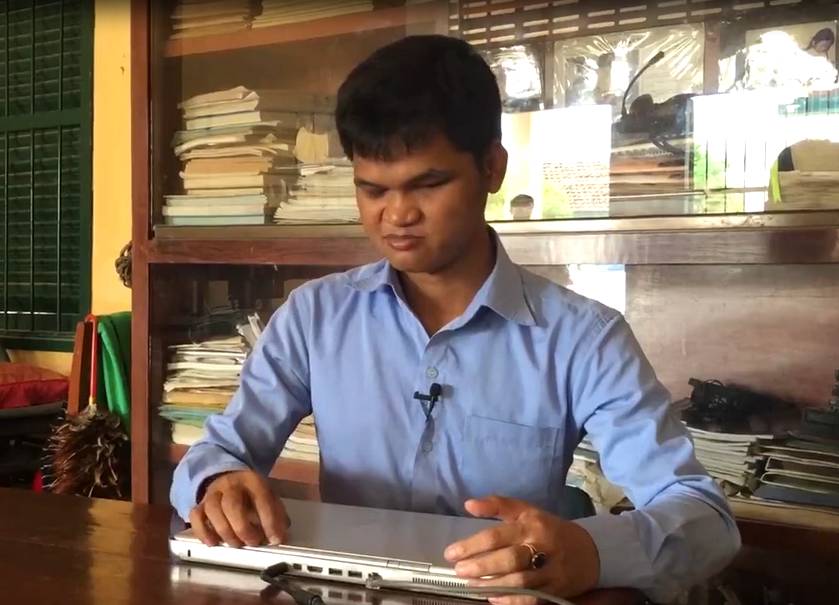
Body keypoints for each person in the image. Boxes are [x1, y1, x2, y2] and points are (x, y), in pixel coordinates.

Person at [171, 35, 740, 604]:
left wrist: (589, 552)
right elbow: (215, 455)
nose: (397, 214)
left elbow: (702, 517)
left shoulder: (583, 338)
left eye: (428, 184)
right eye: (372, 189)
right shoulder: (314, 316)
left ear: (492, 167)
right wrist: (218, 484)